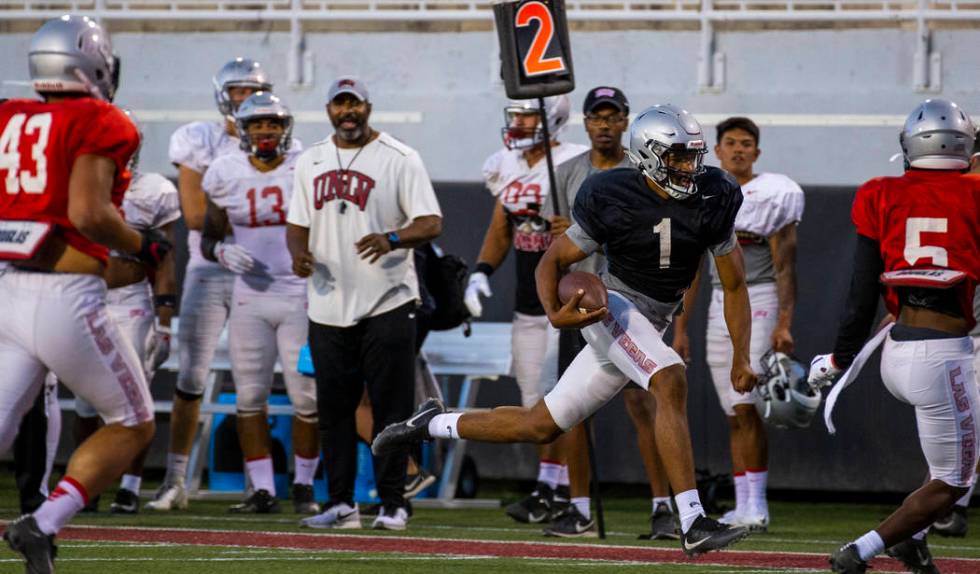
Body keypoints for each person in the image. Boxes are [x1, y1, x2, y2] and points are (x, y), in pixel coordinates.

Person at [375, 104, 756, 556]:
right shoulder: (611, 193)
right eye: (676, 156)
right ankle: (693, 520)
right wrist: (554, 311)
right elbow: (553, 260)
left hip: (652, 321)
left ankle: (429, 424)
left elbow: (734, 285)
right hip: (611, 306)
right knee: (669, 378)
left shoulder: (715, 193)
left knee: (539, 426)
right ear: (648, 155)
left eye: (692, 156)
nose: (688, 167)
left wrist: (741, 356)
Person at [0, 16, 170, 572]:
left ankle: (41, 525)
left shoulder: (10, 115)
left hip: (9, 288)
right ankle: (42, 524)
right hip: (66, 296)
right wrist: (141, 245)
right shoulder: (101, 119)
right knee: (134, 422)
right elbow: (88, 214)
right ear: (93, 65)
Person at [810, 99, 980, 574]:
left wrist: (842, 358)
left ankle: (914, 541)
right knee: (954, 480)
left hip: (895, 350)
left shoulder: (880, 191)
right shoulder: (975, 193)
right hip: (943, 355)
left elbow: (860, 291)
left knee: (948, 467)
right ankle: (861, 551)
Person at [286, 76, 442, 530]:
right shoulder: (310, 160)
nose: (347, 112)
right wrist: (298, 254)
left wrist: (392, 237)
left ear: (368, 107)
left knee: (391, 410)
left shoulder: (399, 157)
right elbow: (297, 222)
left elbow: (431, 222)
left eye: (354, 104)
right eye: (340, 105)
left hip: (388, 300)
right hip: (327, 303)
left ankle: (394, 502)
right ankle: (340, 503)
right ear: (329, 109)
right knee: (333, 410)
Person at [541, 86, 679, 540]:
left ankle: (663, 505)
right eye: (596, 117)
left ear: (625, 122)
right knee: (573, 409)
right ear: (585, 123)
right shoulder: (566, 172)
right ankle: (579, 506)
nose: (604, 124)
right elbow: (553, 245)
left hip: (633, 301)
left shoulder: (643, 172)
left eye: (612, 116)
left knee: (644, 402)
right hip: (579, 303)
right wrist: (562, 235)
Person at [148, 57, 272, 511]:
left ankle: (261, 486)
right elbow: (197, 215)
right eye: (237, 91)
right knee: (192, 375)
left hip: (260, 268)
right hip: (211, 263)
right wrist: (257, 218)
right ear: (223, 94)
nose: (244, 99)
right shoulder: (198, 138)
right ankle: (176, 479)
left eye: (251, 91)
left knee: (253, 380)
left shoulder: (275, 136)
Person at [674, 116, 804, 532]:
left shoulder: (773, 194)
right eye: (731, 142)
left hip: (759, 296)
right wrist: (680, 328)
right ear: (717, 149)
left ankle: (758, 504)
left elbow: (786, 267)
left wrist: (785, 321)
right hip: (719, 301)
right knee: (732, 411)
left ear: (757, 152)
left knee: (747, 407)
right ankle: (743, 502)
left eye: (746, 143)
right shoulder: (703, 192)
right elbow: (693, 268)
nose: (739, 150)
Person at [464, 95, 587, 525]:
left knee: (560, 397)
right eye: (515, 114)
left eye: (527, 114)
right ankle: (549, 485)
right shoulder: (506, 163)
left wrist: (573, 226)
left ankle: (554, 489)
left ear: (553, 116)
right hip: (525, 299)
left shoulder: (577, 160)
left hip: (567, 296)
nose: (518, 122)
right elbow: (502, 227)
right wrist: (481, 270)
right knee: (533, 399)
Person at [201, 92, 320, 515]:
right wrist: (219, 252)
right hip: (249, 297)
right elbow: (210, 234)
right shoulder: (223, 171)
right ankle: (263, 489)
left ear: (285, 129)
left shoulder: (305, 165)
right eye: (257, 125)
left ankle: (304, 486)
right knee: (249, 396)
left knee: (307, 398)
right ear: (243, 130)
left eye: (272, 124)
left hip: (300, 296)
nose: (265, 132)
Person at [71, 109, 181, 514]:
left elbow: (164, 260)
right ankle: (84, 484)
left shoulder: (153, 189)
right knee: (85, 403)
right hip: (85, 295)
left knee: (136, 397)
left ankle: (130, 487)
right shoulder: (79, 184)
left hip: (132, 299)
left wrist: (165, 322)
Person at [931, 133, 980, 539]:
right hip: (957, 327)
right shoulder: (951, 195)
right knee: (960, 421)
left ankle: (950, 504)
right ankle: (949, 503)